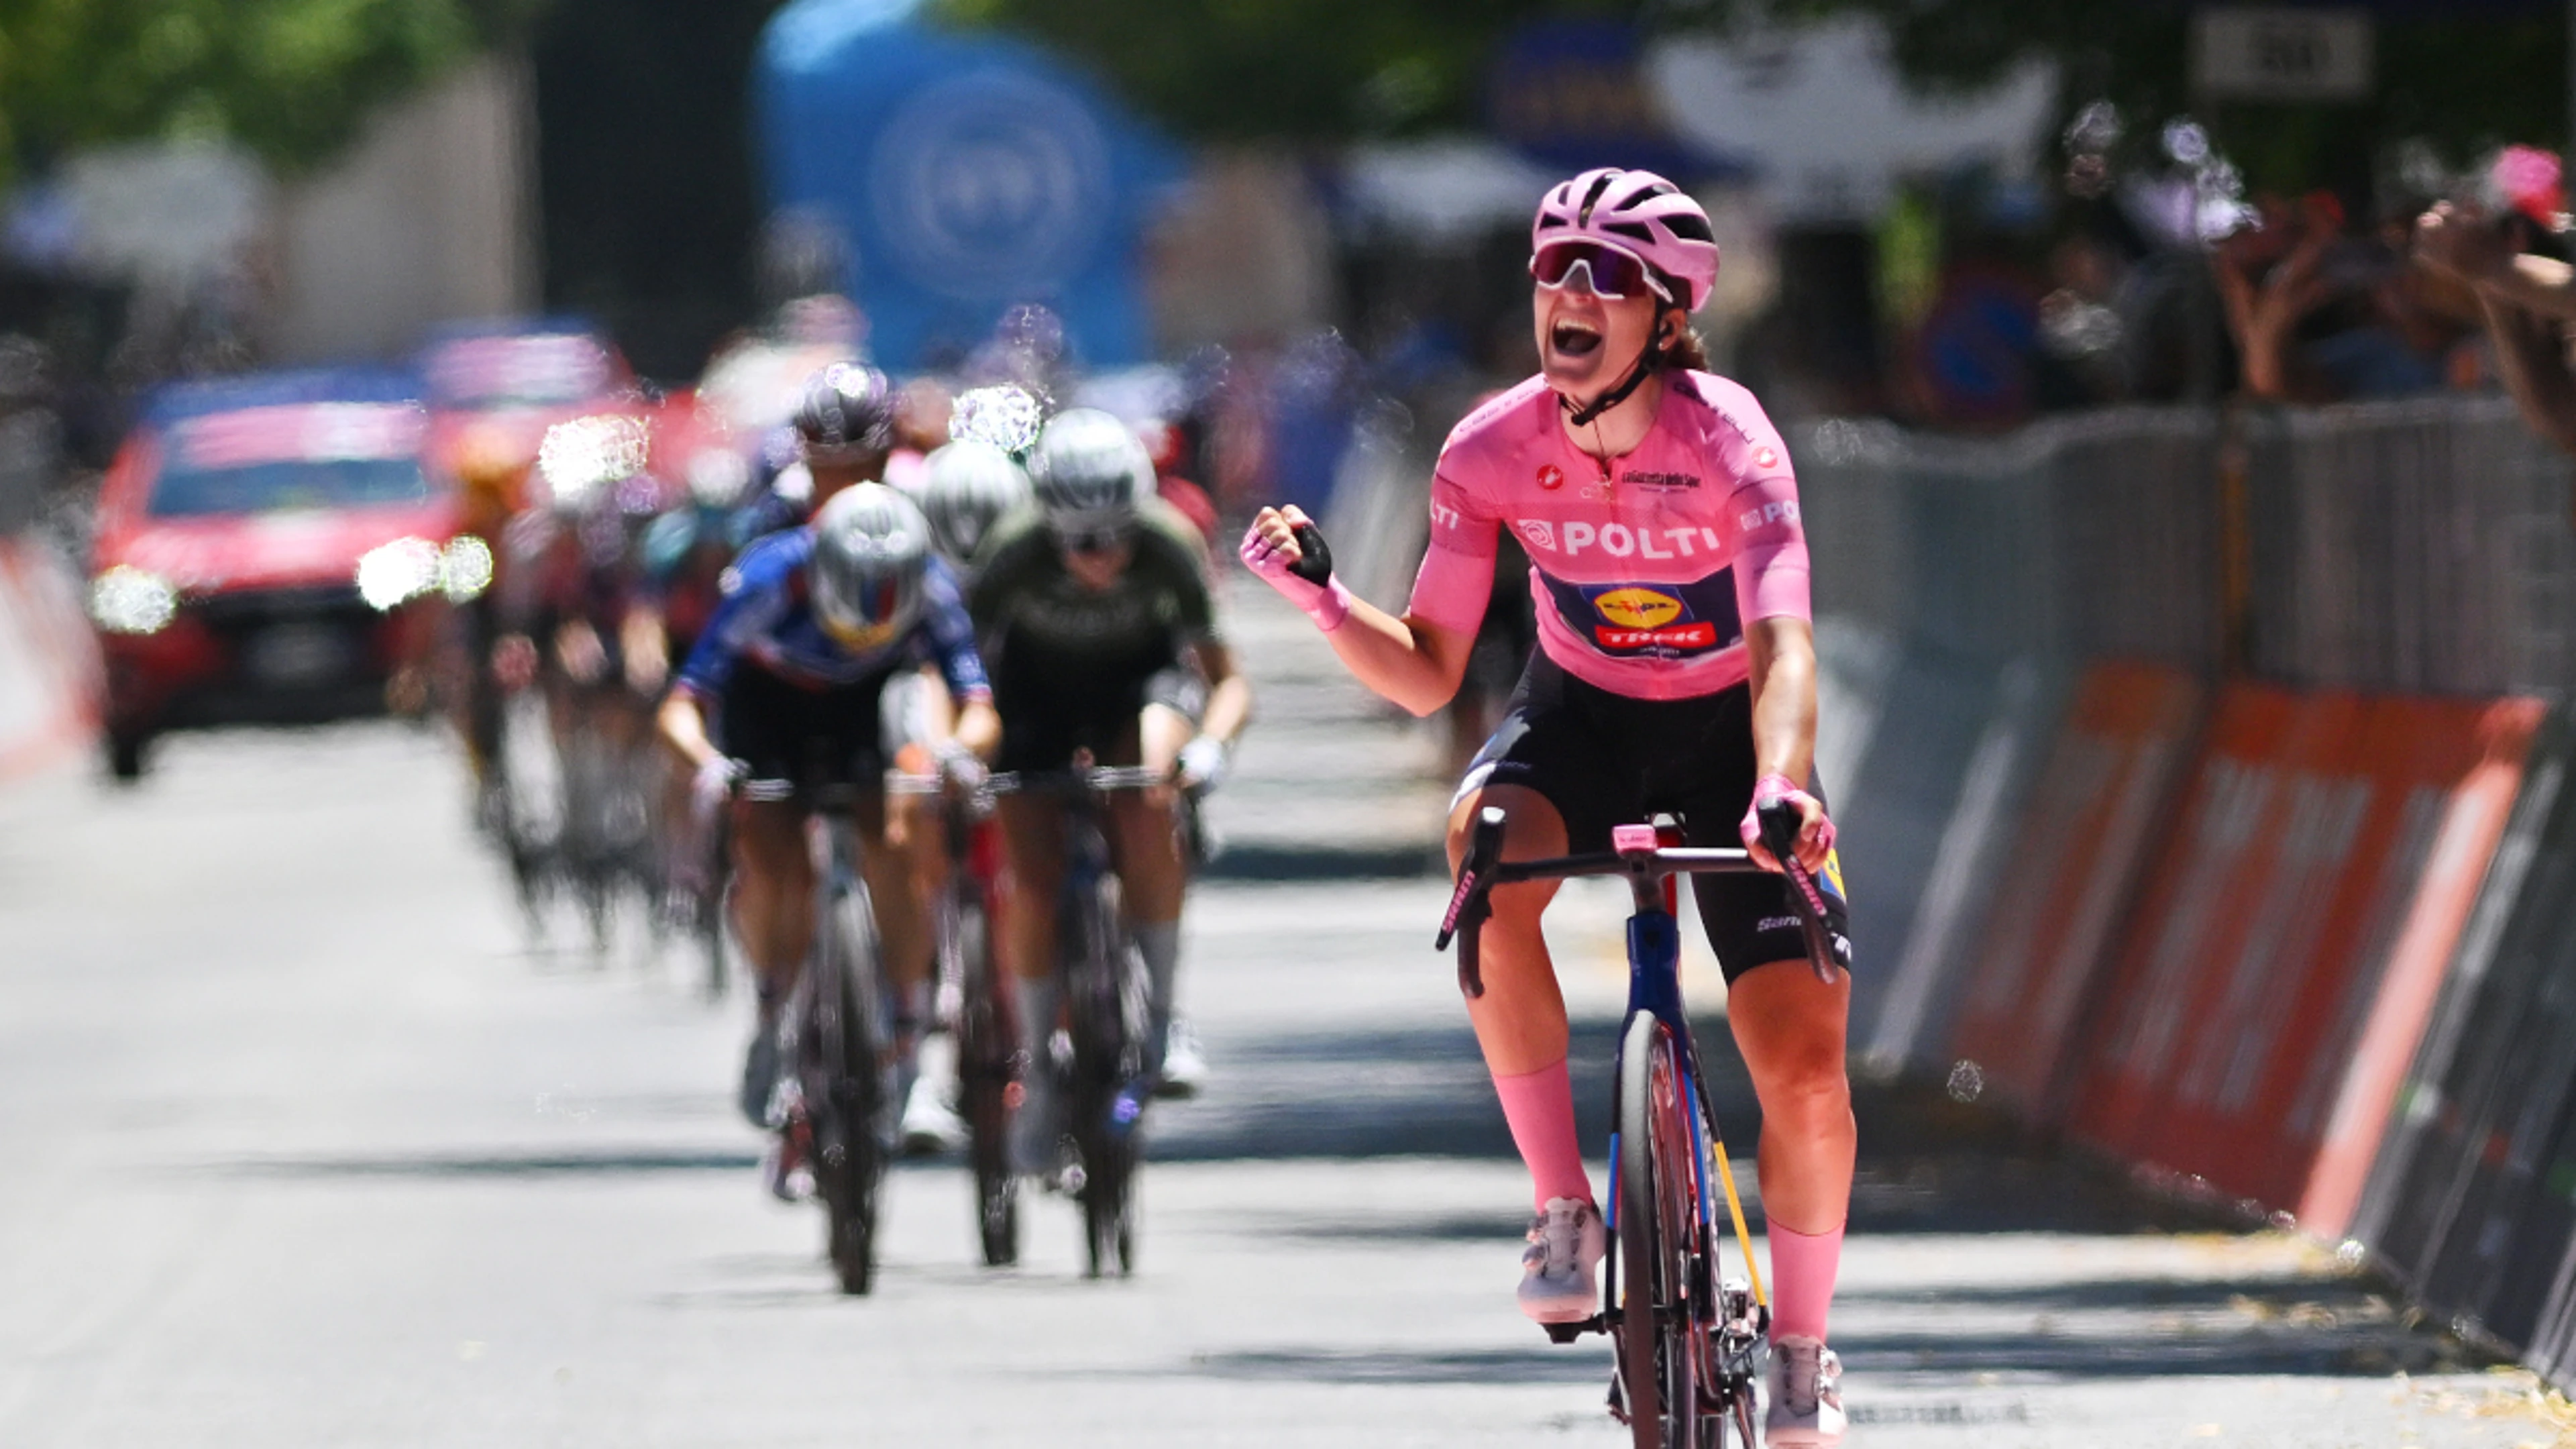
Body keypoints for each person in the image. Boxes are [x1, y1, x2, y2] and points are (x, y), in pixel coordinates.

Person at [1240, 168, 1854, 1446]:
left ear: (1669, 316)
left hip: (1733, 737)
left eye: (1607, 274)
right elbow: (1428, 670)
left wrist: (1783, 784)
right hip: (1581, 723)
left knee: (1803, 1069)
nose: (1570, 292)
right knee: (1483, 856)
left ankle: (1802, 1351)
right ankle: (1565, 1205)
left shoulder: (1732, 442)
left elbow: (1787, 645)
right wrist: (1322, 600)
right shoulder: (1489, 449)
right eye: (1553, 267)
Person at [656, 483, 999, 1195]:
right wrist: (708, 765)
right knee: (771, 856)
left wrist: (958, 754)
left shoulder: (932, 584)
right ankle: (773, 1005)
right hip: (768, 707)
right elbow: (684, 704)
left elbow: (976, 704)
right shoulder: (769, 579)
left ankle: (907, 1046)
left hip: (866, 708)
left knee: (897, 839)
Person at [969, 409, 1252, 1137]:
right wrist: (962, 752)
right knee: (1030, 879)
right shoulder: (1012, 550)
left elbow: (1227, 681)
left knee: (1149, 791)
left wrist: (1210, 748)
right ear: (1049, 527)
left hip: (1138, 690)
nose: (1102, 558)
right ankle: (1036, 1060)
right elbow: (960, 671)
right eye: (1081, 542)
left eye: (1118, 537)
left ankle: (1163, 1017)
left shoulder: (1169, 541)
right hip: (1034, 699)